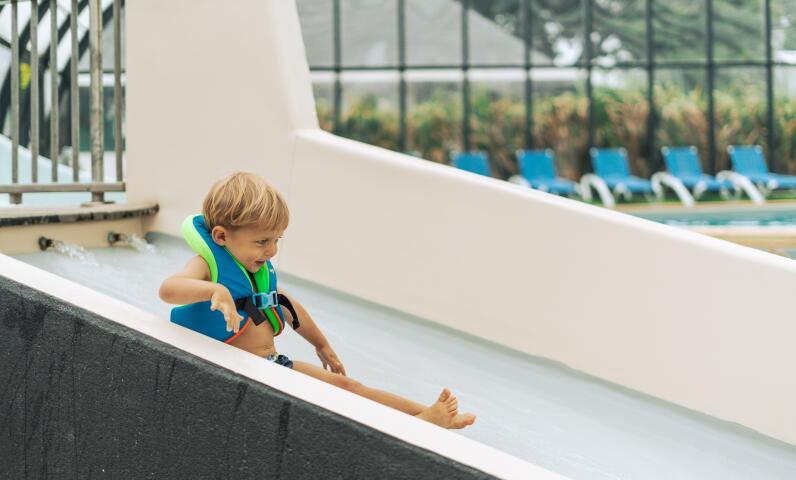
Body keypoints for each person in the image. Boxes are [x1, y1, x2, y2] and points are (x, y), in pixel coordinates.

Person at [159, 172, 476, 429]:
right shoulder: (207, 267)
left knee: (349, 387)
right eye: (262, 241)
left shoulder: (257, 271)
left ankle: (427, 416)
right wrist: (215, 291)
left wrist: (321, 345)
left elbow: (287, 306)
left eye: (276, 240)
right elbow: (169, 289)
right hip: (248, 372)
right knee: (340, 397)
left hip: (273, 364)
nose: (272, 250)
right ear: (221, 236)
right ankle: (422, 424)